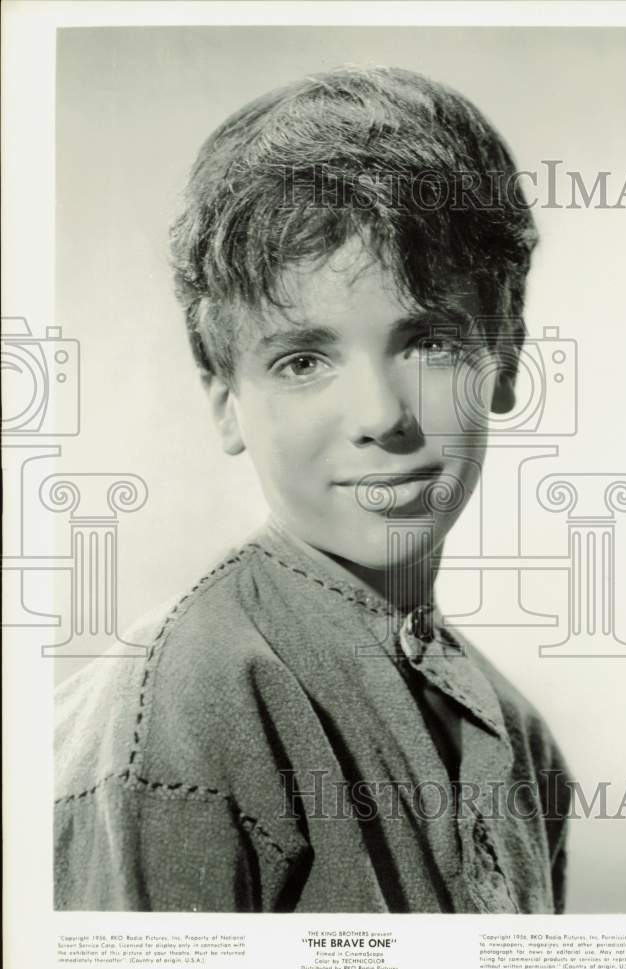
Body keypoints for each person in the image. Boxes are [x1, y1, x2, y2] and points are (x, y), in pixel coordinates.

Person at [54, 65, 572, 913]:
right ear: (227, 403)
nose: (378, 415)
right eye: (302, 361)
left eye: (430, 342)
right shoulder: (189, 712)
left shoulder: (518, 736)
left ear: (503, 360)